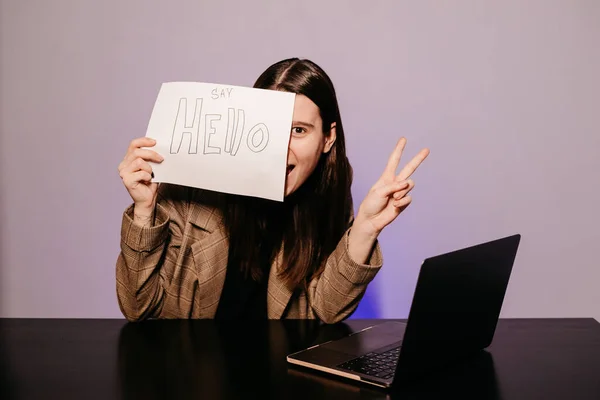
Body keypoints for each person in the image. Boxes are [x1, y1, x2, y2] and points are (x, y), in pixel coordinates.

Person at [116, 58, 429, 323]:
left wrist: (365, 228)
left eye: (298, 130)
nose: (280, 148)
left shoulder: (329, 184)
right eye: (270, 128)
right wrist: (144, 211)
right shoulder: (194, 183)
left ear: (328, 138)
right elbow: (139, 308)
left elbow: (328, 311)